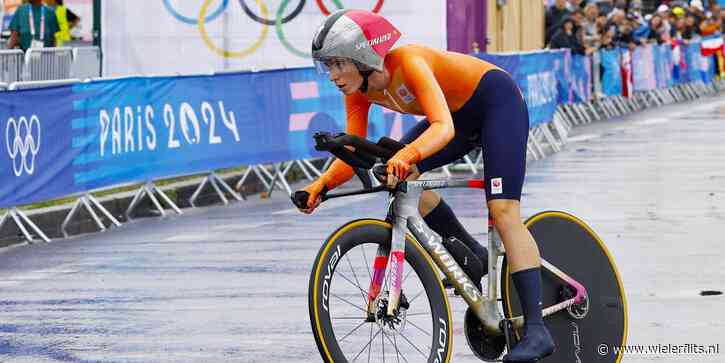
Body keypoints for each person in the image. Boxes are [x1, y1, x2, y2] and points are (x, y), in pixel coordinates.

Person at [297, 9, 556, 363]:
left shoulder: (410, 62)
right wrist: (322, 185)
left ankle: (538, 330)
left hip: (496, 102)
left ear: (362, 56)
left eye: (338, 64)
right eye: (328, 66)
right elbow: (353, 147)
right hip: (456, 117)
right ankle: (474, 255)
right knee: (400, 173)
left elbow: (442, 128)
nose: (333, 75)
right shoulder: (358, 89)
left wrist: (408, 155)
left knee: (503, 210)